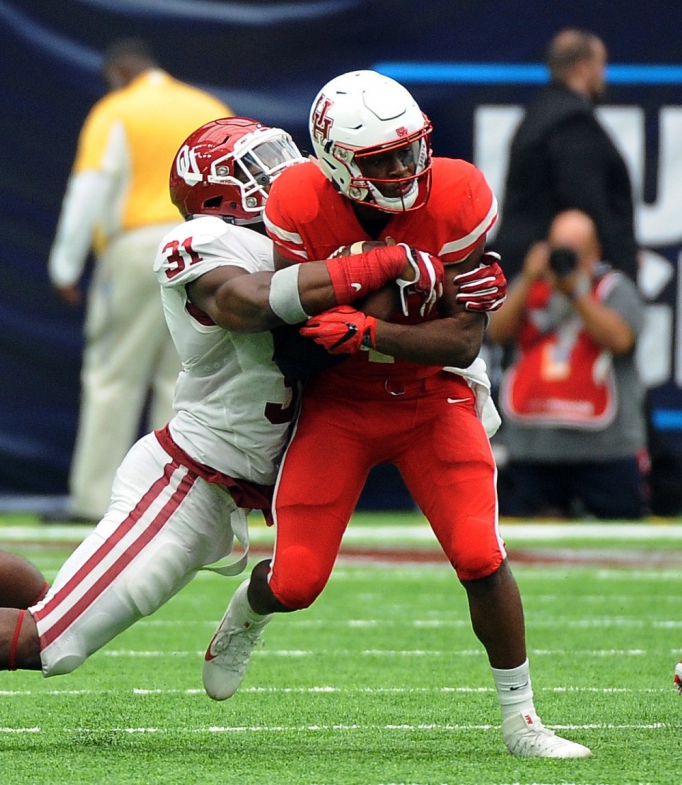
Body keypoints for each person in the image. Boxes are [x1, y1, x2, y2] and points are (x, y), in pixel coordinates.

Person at [0, 117, 504, 752]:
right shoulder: (204, 242)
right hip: (189, 478)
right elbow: (252, 303)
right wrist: (381, 265)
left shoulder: (311, 232)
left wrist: (458, 283)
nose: (283, 174)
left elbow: (387, 300)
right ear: (216, 192)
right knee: (54, 638)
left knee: (48, 602)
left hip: (229, 487)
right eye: (255, 166)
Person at [201, 70, 591, 758]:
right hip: (340, 402)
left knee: (480, 552)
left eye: (411, 150)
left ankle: (522, 717)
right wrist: (389, 285)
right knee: (294, 581)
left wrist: (369, 328)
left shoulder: (460, 191)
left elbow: (462, 339)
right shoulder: (296, 202)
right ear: (334, 160)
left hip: (430, 394)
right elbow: (297, 343)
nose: (404, 168)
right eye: (381, 158)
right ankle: (246, 614)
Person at [45, 38, 232, 524]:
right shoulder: (207, 106)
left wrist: (65, 266)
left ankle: (94, 501)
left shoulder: (117, 109)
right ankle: (172, 502)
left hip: (136, 247)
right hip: (205, 246)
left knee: (113, 376)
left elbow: (90, 188)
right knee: (184, 378)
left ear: (119, 72)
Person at [486, 209, 646, 518]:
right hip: (534, 446)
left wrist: (575, 289)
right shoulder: (529, 288)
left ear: (595, 251)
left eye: (576, 251)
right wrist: (529, 278)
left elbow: (620, 339)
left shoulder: (614, 288)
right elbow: (497, 331)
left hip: (605, 449)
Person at [492, 29, 637, 282]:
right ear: (583, 68)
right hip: (550, 277)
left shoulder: (540, 114)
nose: (605, 75)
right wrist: (618, 265)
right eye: (601, 64)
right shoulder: (571, 121)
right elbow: (584, 198)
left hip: (530, 266)